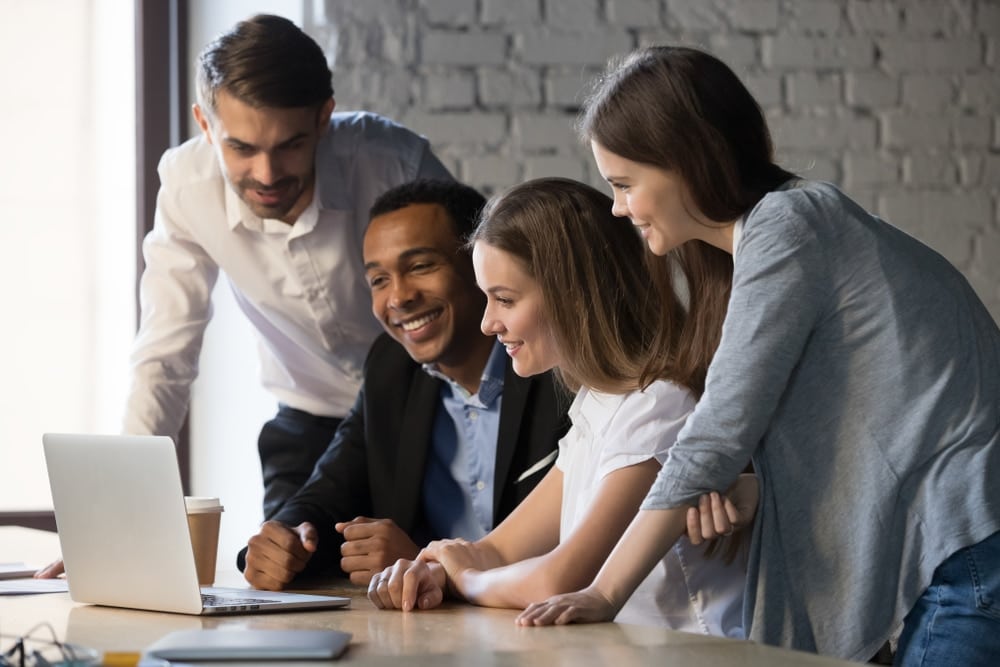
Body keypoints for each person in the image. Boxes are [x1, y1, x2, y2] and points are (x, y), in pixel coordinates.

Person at [513, 46, 1000, 666]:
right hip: (970, 544)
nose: (617, 207)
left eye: (625, 184)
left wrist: (605, 591)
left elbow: (714, 434)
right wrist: (752, 494)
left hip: (976, 546)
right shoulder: (791, 230)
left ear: (685, 163)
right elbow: (871, 423)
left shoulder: (787, 226)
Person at [367, 178, 752, 638]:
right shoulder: (598, 404)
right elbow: (498, 551)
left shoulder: (659, 407)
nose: (489, 323)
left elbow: (560, 578)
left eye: (505, 299)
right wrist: (435, 571)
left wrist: (466, 578)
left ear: (574, 295)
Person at [128, 14, 453, 521]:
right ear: (205, 124)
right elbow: (165, 355)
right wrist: (119, 509)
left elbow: (478, 293)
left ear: (324, 117)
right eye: (241, 148)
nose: (267, 174)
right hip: (308, 422)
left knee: (437, 575)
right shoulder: (186, 188)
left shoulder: (393, 161)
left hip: (431, 406)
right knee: (281, 577)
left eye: (290, 145)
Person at [240, 179, 569, 590]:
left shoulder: (559, 369)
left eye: (420, 266)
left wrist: (423, 560)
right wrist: (285, 536)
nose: (398, 298)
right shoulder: (391, 368)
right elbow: (329, 491)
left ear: (481, 266)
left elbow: (573, 547)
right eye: (379, 280)